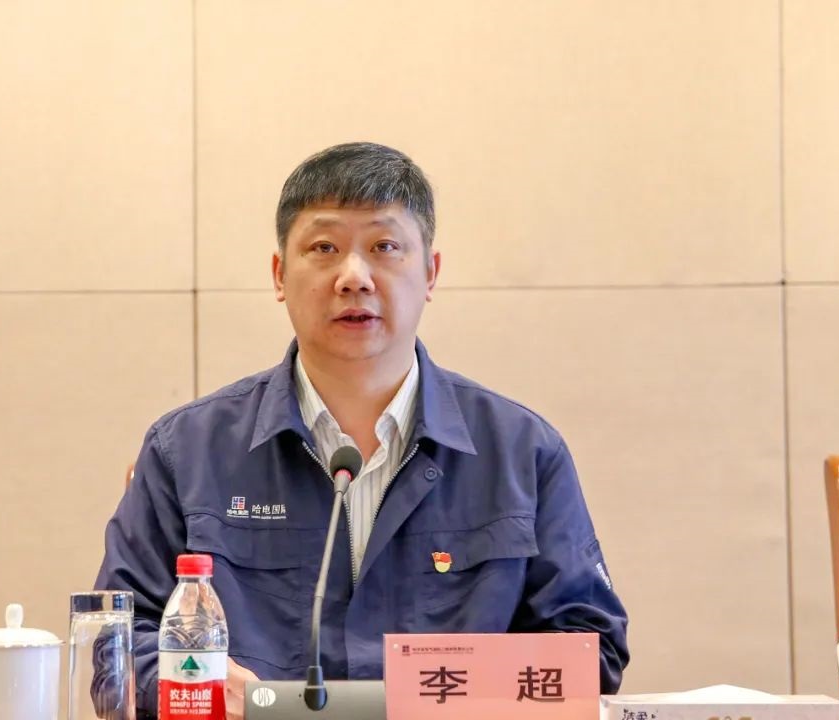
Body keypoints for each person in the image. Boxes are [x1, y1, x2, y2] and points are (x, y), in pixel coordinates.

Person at [95, 142, 629, 719]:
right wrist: (204, 689)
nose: (354, 277)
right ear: (279, 274)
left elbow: (588, 650)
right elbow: (113, 648)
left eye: (385, 247)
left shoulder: (522, 452)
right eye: (324, 248)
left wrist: (433, 696)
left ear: (430, 273)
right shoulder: (187, 451)